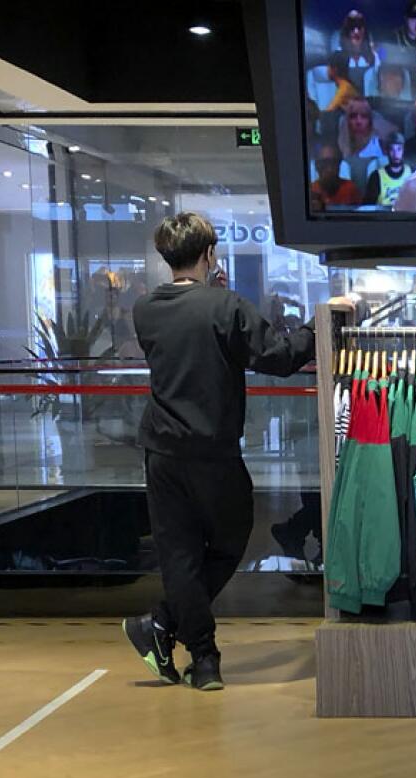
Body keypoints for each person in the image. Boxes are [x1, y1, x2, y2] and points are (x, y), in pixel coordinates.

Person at [122, 213, 317, 691]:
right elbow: (281, 356)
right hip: (213, 452)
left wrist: (217, 294)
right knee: (231, 541)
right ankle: (167, 628)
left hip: (162, 452)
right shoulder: (225, 306)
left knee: (180, 555)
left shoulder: (145, 309)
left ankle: (202, 657)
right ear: (210, 255)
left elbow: (191, 333)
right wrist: (323, 321)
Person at [338, 96, 393, 192]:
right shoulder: (343, 139)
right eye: (353, 116)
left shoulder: (379, 145)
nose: (358, 121)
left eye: (364, 116)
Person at [333, 10, 377, 95]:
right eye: (352, 28)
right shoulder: (337, 56)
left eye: (359, 27)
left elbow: (388, 56)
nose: (356, 32)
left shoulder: (374, 55)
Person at [364, 131, 413, 208]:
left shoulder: (412, 173)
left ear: (404, 151)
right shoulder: (376, 176)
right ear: (386, 151)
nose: (395, 154)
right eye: (392, 149)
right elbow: (368, 207)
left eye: (399, 149)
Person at [310, 142, 362, 210]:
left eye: (334, 163)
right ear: (317, 166)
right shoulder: (311, 191)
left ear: (339, 165)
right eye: (325, 163)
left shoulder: (350, 189)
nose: (330, 169)